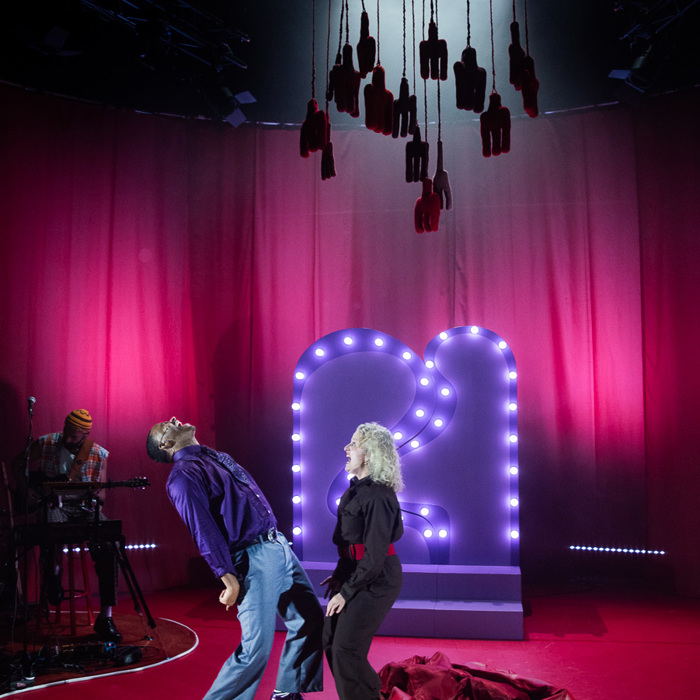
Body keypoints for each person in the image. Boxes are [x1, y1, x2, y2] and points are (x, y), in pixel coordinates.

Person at [146, 417, 323, 700]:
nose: (174, 419)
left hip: (278, 545)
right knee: (255, 649)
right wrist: (227, 578)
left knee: (308, 618)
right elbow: (202, 530)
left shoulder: (215, 457)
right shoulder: (183, 476)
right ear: (166, 444)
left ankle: (286, 693)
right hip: (253, 557)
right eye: (166, 425)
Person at [23, 409, 121, 642]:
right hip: (54, 505)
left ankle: (106, 617)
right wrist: (28, 492)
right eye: (66, 432)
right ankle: (54, 573)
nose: (67, 439)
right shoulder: (46, 443)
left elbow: (102, 494)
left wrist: (96, 496)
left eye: (74, 436)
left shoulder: (99, 454)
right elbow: (18, 464)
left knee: (110, 546)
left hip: (83, 509)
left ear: (86, 435)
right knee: (52, 530)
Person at [322, 422, 404, 700]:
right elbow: (349, 545)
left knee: (346, 649)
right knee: (330, 641)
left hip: (378, 579)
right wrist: (339, 577)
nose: (347, 449)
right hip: (356, 573)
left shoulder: (379, 496)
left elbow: (375, 556)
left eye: (354, 444)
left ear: (369, 454)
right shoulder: (354, 491)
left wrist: (346, 592)